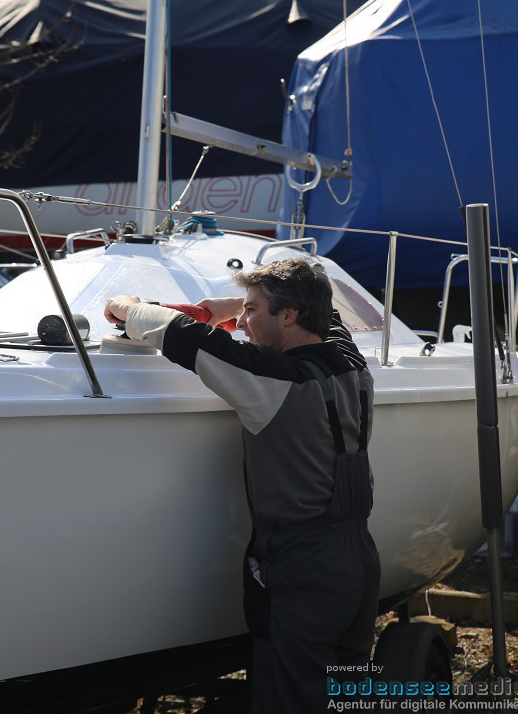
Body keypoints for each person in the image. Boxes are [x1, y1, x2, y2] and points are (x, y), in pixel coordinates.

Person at [104, 257, 380, 713]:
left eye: (253, 311)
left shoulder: (272, 379)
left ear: (288, 316)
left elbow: (182, 336)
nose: (245, 322)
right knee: (347, 693)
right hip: (359, 561)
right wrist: (233, 305)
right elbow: (326, 313)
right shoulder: (351, 363)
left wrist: (128, 306)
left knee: (291, 698)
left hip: (301, 565)